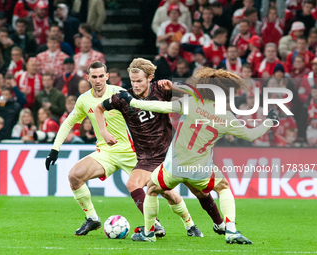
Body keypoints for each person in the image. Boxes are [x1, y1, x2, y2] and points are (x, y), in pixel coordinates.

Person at [120, 68, 279, 243]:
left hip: (173, 167)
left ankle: (149, 234)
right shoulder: (227, 118)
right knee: (224, 187)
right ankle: (231, 231)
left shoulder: (191, 103)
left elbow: (161, 106)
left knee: (151, 189)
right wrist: (269, 122)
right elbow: (251, 135)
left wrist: (133, 102)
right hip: (200, 170)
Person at [95, 58, 224, 237]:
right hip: (147, 158)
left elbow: (195, 96)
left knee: (198, 190)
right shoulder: (123, 98)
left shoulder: (161, 89)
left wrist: (174, 87)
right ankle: (154, 225)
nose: (136, 85)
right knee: (134, 184)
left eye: (139, 81)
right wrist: (104, 132)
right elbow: (98, 108)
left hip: (173, 152)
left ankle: (218, 223)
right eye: (133, 81)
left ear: (150, 78)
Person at [44, 61, 139, 236]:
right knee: (74, 175)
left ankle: (188, 224)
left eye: (101, 76)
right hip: (105, 153)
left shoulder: (120, 94)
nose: (98, 80)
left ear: (107, 76)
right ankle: (92, 219)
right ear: (87, 78)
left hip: (131, 151)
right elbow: (68, 123)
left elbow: (141, 117)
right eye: (94, 77)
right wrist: (55, 149)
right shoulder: (83, 99)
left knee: (162, 186)